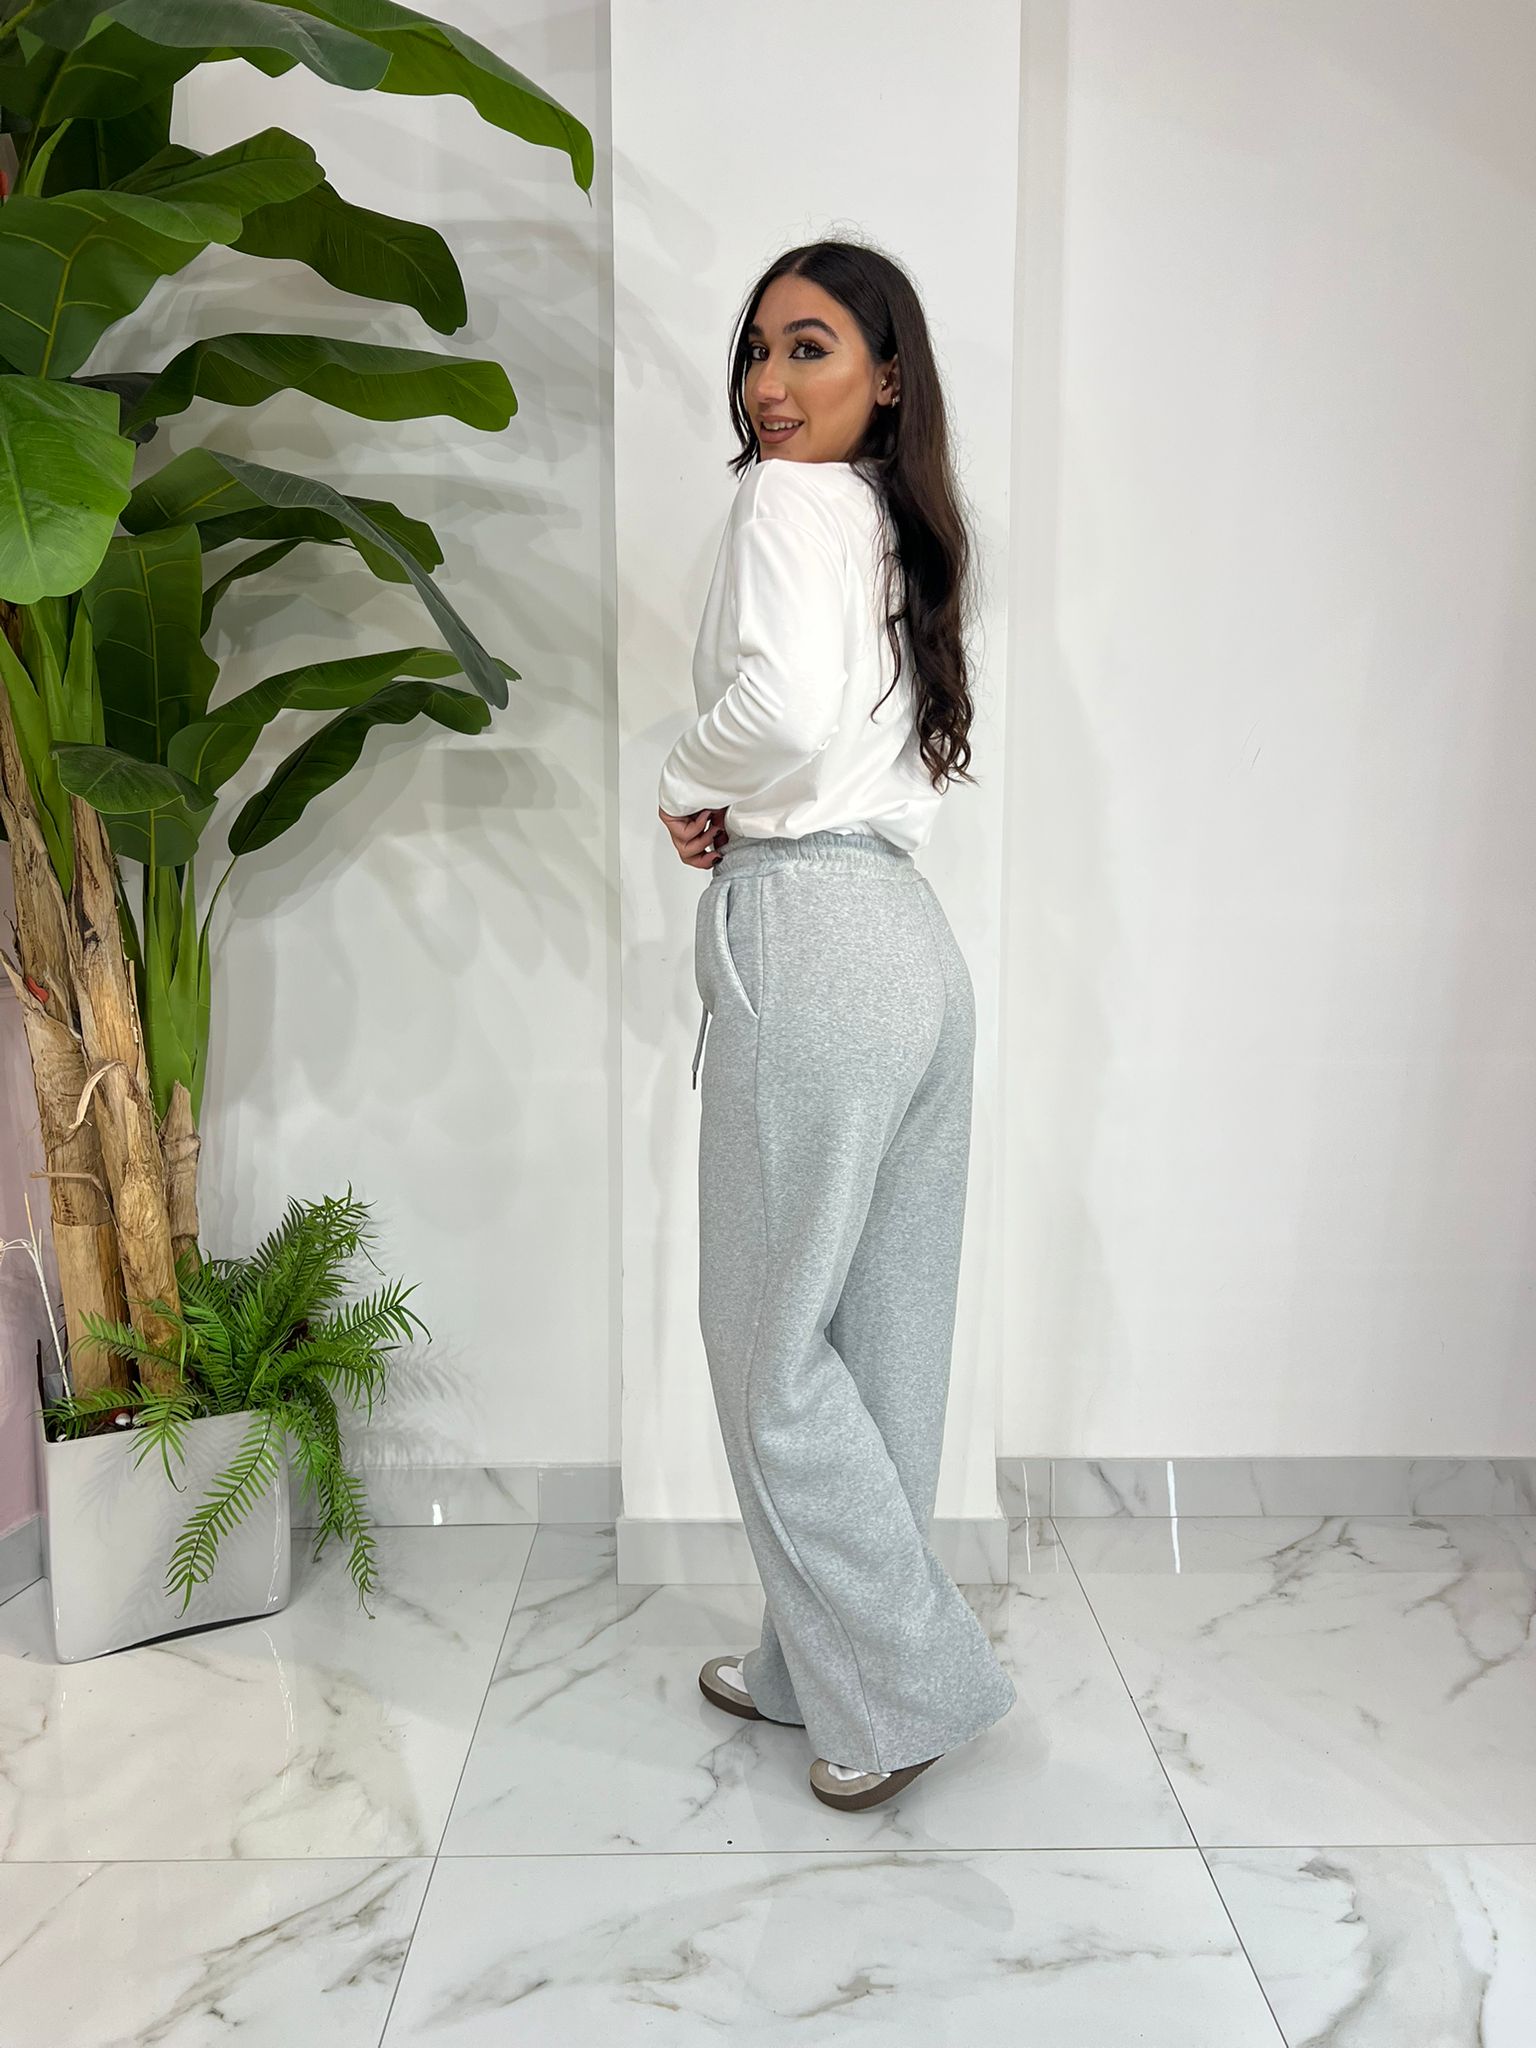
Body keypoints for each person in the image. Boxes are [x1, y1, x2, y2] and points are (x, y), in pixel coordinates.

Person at [657, 240, 1015, 1814]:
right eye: (757, 350)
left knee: (769, 1352)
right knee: (882, 1344)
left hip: (810, 939)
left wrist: (684, 777)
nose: (768, 383)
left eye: (808, 347)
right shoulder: (896, 525)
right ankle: (819, 1665)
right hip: (913, 953)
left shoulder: (788, 505)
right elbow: (862, 738)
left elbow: (784, 718)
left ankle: (902, 1687)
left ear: (886, 375)